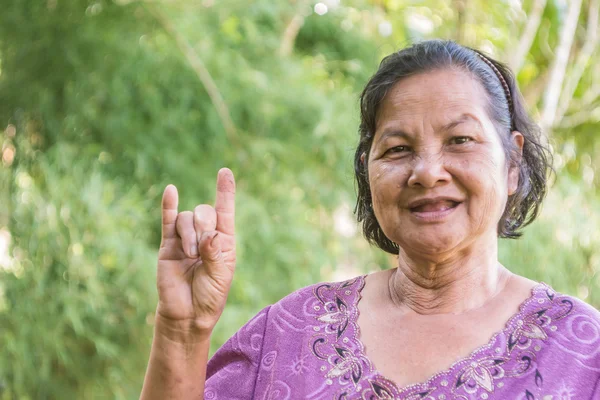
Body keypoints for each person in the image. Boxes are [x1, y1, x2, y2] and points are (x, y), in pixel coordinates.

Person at [139, 40, 600, 399]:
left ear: (512, 164)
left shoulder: (583, 353)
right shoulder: (289, 333)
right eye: (398, 149)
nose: (427, 172)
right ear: (367, 171)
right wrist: (183, 329)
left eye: (460, 139)